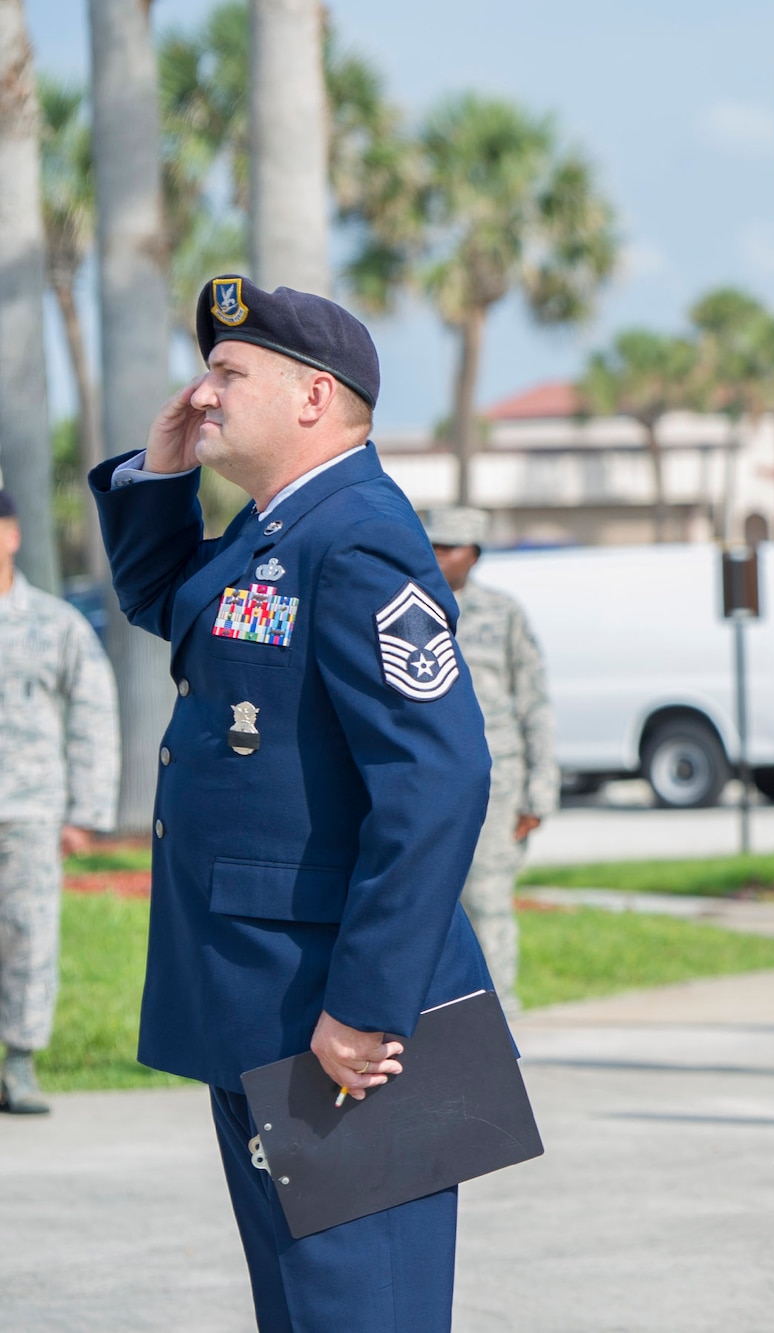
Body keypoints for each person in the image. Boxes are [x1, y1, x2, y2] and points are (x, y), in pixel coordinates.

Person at [90, 275, 493, 1330]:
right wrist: (161, 475)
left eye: (230, 372)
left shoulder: (356, 534)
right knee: (305, 1314)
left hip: (346, 1024)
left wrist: (364, 1008)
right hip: (265, 1006)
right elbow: (165, 603)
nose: (204, 392)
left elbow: (438, 779)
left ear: (314, 396)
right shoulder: (276, 529)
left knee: (364, 1311)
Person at [0, 489, 119, 1115]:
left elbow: (93, 716)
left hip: (29, 809)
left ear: (13, 533)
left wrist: (85, 813)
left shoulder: (55, 624)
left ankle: (19, 1063)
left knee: (27, 936)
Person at [424, 505, 558, 1017]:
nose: (436, 557)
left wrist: (539, 792)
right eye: (430, 546)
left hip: (496, 786)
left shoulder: (503, 613)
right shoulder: (401, 607)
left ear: (474, 554)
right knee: (427, 907)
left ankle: (496, 1015)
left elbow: (535, 703)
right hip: (426, 783)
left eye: (448, 548)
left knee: (486, 901)